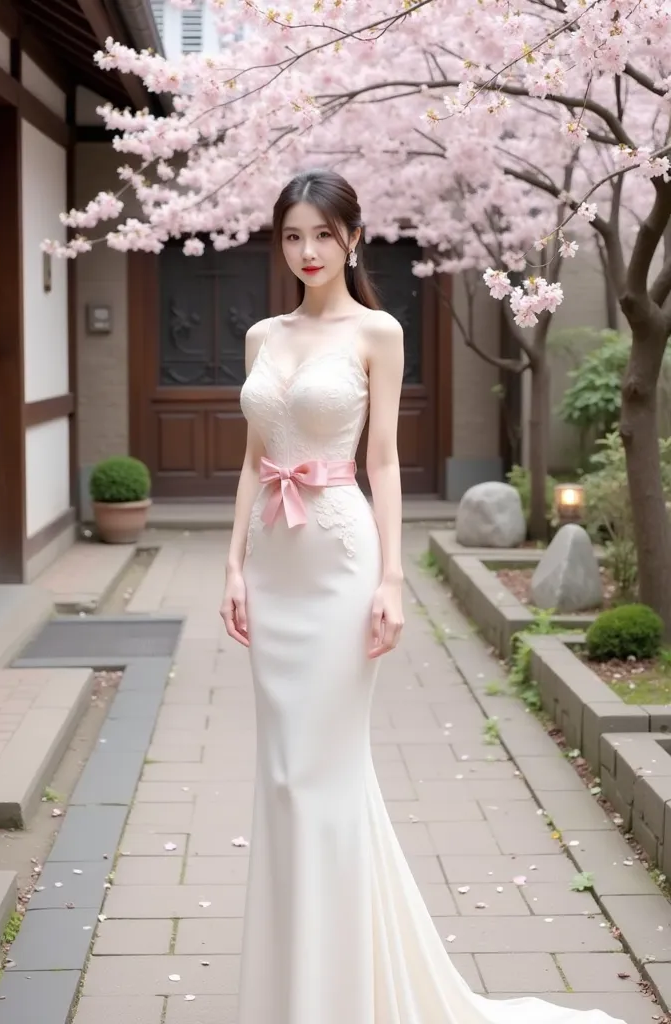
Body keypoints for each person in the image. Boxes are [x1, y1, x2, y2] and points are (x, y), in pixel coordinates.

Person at [219, 169, 625, 1024]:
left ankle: (341, 994)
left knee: (320, 770)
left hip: (337, 557)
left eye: (323, 235)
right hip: (271, 563)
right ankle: (299, 987)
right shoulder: (262, 335)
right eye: (292, 236)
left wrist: (392, 579)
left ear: (352, 238)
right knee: (284, 777)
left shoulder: (378, 331)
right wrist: (229, 568)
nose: (307, 252)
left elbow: (383, 465)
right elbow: (256, 464)